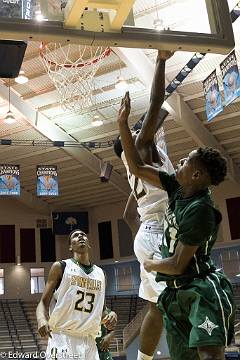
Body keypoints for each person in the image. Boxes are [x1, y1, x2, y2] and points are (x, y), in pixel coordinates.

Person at [117, 91, 235, 360]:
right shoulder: (175, 186)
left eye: (186, 160)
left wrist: (149, 263)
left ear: (195, 174)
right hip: (170, 269)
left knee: (205, 351)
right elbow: (137, 161)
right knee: (163, 319)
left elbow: (177, 264)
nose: (179, 161)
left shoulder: (199, 208)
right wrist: (123, 123)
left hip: (194, 283)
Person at [114, 50, 174, 360]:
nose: (142, 132)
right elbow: (154, 105)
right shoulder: (141, 149)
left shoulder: (139, 168)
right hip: (157, 232)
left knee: (156, 305)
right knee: (173, 301)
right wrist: (161, 60)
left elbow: (127, 214)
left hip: (150, 232)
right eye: (137, 133)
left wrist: (145, 231)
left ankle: (144, 358)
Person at [36, 229, 116, 360]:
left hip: (89, 341)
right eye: (75, 236)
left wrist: (111, 315)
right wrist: (41, 320)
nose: (80, 236)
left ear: (89, 243)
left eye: (83, 234)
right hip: (63, 337)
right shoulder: (60, 267)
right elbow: (43, 303)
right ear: (70, 246)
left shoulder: (101, 274)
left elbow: (101, 311)